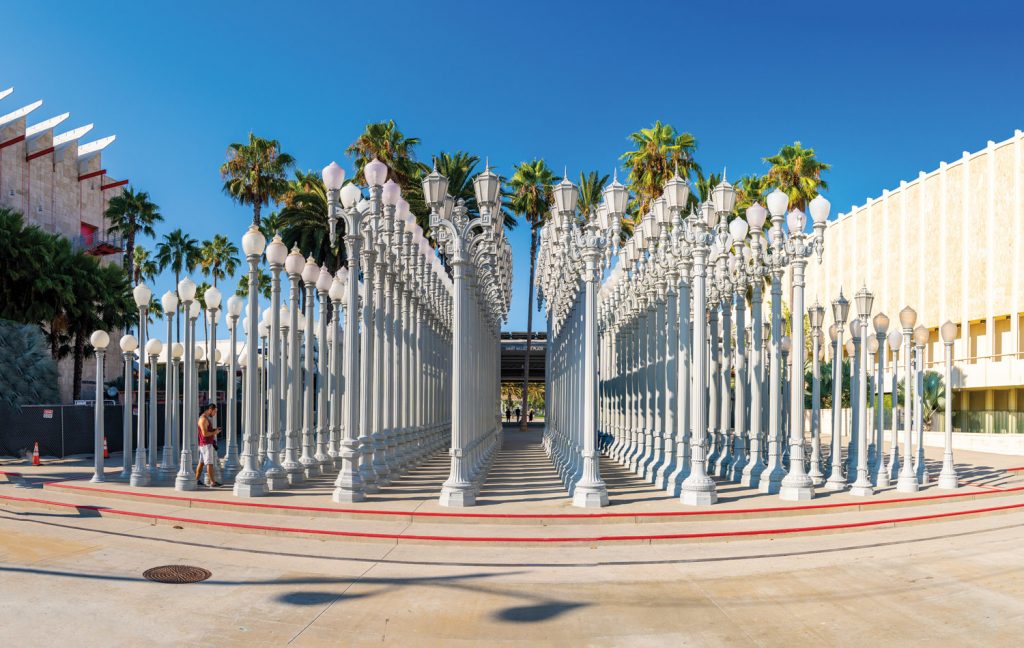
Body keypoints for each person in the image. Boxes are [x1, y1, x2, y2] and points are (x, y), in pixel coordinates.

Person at [196, 403, 222, 487]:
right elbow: (204, 434)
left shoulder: (205, 418)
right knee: (209, 463)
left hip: (204, 444)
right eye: (215, 411)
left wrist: (214, 430)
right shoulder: (203, 419)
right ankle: (213, 482)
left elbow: (207, 431)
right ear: (210, 409)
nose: (215, 413)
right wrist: (215, 432)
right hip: (206, 444)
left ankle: (196, 480)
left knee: (201, 462)